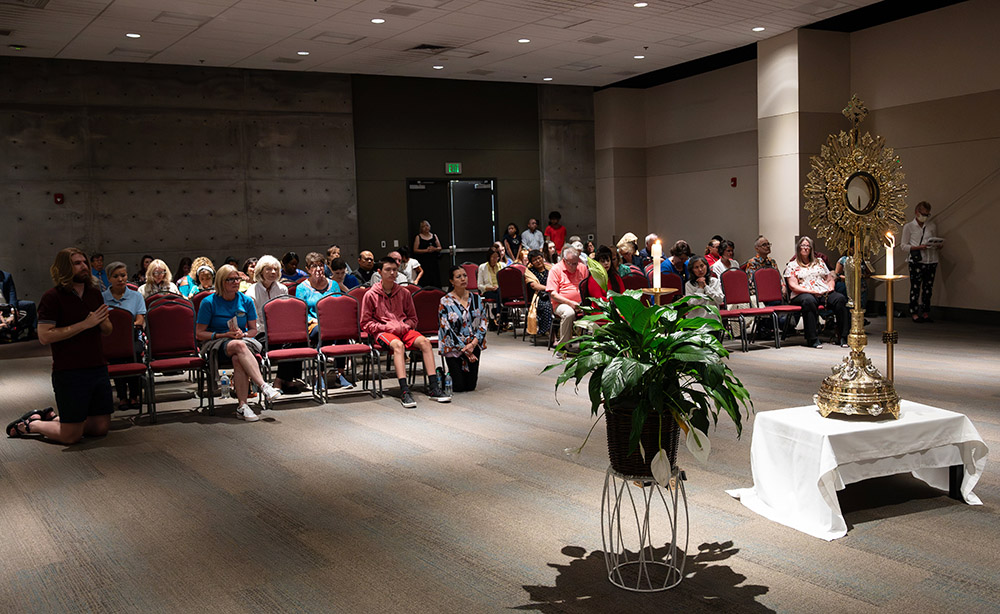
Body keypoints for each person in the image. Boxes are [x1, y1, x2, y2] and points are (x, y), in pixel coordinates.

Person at [7, 248, 113, 444]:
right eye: (77, 263)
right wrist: (85, 324)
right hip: (70, 371)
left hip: (97, 367)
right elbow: (45, 336)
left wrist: (102, 321)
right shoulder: (52, 297)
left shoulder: (94, 294)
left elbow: (107, 330)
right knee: (71, 436)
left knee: (100, 428)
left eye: (84, 262)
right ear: (64, 268)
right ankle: (32, 423)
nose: (84, 267)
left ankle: (54, 419)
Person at [361, 256, 450, 408]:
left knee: (425, 343)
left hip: (404, 329)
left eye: (394, 270)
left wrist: (404, 325)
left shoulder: (404, 293)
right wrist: (385, 327)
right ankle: (404, 390)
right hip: (383, 332)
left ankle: (434, 387)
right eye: (387, 270)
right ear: (379, 272)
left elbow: (413, 318)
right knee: (398, 346)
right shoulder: (370, 294)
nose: (391, 273)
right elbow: (365, 323)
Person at [196, 264, 282, 421]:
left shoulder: (246, 301)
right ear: (222, 282)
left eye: (237, 279)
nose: (236, 282)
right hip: (217, 343)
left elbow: (253, 330)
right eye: (231, 280)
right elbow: (200, 334)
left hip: (241, 341)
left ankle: (243, 406)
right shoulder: (209, 302)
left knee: (238, 356)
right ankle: (264, 385)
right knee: (239, 346)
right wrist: (223, 334)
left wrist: (244, 334)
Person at [783, 236, 850, 348]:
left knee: (840, 299)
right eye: (803, 246)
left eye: (808, 246)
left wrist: (831, 287)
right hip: (802, 293)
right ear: (799, 248)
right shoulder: (792, 265)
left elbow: (829, 279)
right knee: (809, 300)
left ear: (811, 249)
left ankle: (843, 337)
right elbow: (793, 285)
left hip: (822, 291)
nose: (805, 248)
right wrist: (810, 291)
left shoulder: (819, 262)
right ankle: (812, 339)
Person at [247, 255, 301, 394]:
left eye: (275, 269)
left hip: (280, 332)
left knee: (296, 342)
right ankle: (285, 381)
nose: (272, 272)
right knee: (284, 345)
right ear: (260, 271)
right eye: (268, 269)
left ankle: (282, 379)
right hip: (260, 333)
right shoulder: (252, 291)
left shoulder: (282, 289)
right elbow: (254, 320)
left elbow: (284, 314)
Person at [102, 261, 147, 411]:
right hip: (111, 338)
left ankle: (134, 396)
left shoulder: (136, 296)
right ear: (109, 278)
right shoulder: (102, 298)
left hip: (132, 335)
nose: (120, 279)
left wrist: (126, 328)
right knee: (116, 356)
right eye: (116, 276)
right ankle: (122, 397)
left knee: (134, 353)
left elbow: (140, 320)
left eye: (123, 275)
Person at [439, 266, 489, 392]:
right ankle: (441, 375)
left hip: (473, 344)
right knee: (458, 387)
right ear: (451, 281)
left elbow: (483, 322)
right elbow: (446, 328)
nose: (463, 279)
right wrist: (465, 349)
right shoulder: (445, 301)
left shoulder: (476, 299)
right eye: (458, 276)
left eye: (465, 275)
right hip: (454, 346)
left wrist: (473, 344)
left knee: (470, 386)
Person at [901, 200, 942, 323]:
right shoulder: (909, 227)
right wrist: (918, 247)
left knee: (928, 287)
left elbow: (934, 239)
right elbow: (903, 246)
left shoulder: (931, 226)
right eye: (923, 214)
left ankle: (925, 312)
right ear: (916, 212)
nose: (924, 217)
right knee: (915, 287)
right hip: (917, 260)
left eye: (927, 215)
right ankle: (914, 312)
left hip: (931, 259)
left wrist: (937, 245)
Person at [546, 244, 589, 349]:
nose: (575, 266)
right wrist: (570, 303)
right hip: (561, 304)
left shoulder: (582, 267)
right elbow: (553, 294)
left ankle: (591, 347)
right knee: (569, 313)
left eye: (576, 262)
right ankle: (563, 347)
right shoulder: (555, 270)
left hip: (581, 303)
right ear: (564, 261)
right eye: (572, 264)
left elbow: (588, 287)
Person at [296, 252, 343, 341]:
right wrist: (313, 320)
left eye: (321, 265)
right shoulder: (301, 288)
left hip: (333, 321)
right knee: (321, 330)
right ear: (308, 269)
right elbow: (301, 313)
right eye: (314, 266)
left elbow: (339, 307)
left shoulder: (334, 285)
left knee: (342, 330)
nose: (318, 269)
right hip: (314, 323)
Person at [684, 256, 725, 322]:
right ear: (692, 270)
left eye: (702, 266)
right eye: (696, 267)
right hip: (695, 322)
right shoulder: (689, 284)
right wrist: (700, 288)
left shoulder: (714, 281)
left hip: (712, 321)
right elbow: (692, 303)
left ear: (706, 266)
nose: (700, 270)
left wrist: (706, 287)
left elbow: (720, 300)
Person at [0, 268, 36, 340]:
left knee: (30, 305)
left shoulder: (6, 276)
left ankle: (32, 330)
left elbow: (12, 293)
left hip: (6, 304)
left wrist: (13, 308)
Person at [524, 249, 553, 335]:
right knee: (547, 306)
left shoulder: (550, 268)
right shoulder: (529, 271)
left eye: (539, 258)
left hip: (554, 294)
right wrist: (549, 289)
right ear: (531, 263)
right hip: (540, 296)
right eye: (534, 260)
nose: (538, 261)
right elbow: (534, 286)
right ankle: (548, 332)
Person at [477, 246, 504, 326]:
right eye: (493, 257)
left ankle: (498, 313)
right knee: (501, 296)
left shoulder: (502, 266)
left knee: (500, 292)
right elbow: (479, 285)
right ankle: (499, 314)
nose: (495, 259)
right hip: (488, 291)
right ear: (489, 257)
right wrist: (490, 288)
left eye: (496, 257)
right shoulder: (482, 267)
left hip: (500, 291)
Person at [413, 220, 443, 289]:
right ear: (421, 228)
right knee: (425, 278)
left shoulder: (434, 236)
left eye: (427, 226)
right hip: (423, 261)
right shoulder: (418, 237)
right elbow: (415, 250)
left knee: (435, 277)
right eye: (424, 226)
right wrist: (426, 250)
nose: (426, 228)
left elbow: (440, 248)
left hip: (433, 261)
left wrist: (434, 249)